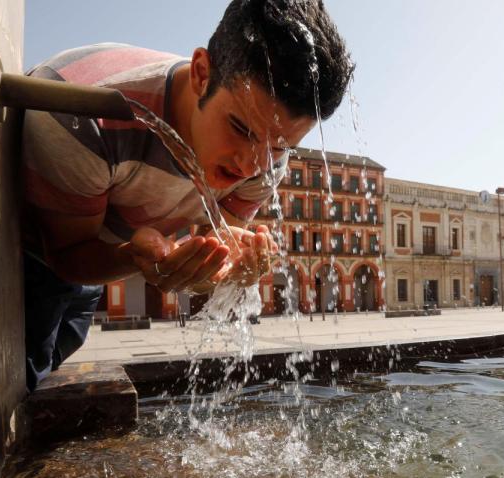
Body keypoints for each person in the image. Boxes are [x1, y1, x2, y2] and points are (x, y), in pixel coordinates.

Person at [21, 0, 353, 389]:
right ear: (201, 74)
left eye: (279, 146)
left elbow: (218, 240)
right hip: (31, 256)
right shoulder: (81, 116)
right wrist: (133, 258)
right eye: (241, 129)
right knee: (24, 372)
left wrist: (225, 267)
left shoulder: (266, 161)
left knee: (64, 345)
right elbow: (66, 256)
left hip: (98, 250)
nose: (251, 165)